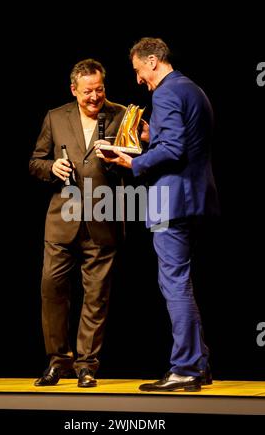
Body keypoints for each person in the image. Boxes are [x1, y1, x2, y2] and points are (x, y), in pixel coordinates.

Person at [96, 38, 220, 392]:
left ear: (152, 61)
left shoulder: (165, 93)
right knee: (181, 279)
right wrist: (152, 136)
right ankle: (198, 364)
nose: (138, 80)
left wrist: (132, 160)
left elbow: (174, 149)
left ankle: (184, 369)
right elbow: (182, 141)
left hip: (171, 203)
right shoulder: (192, 89)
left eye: (138, 71)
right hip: (195, 199)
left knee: (174, 282)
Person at [29, 58, 126, 387]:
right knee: (51, 289)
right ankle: (59, 361)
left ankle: (87, 365)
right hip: (61, 221)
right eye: (87, 92)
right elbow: (35, 161)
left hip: (104, 218)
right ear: (74, 90)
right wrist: (51, 167)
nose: (95, 97)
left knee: (96, 296)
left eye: (99, 90)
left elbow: (138, 160)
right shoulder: (56, 117)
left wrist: (118, 159)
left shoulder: (122, 115)